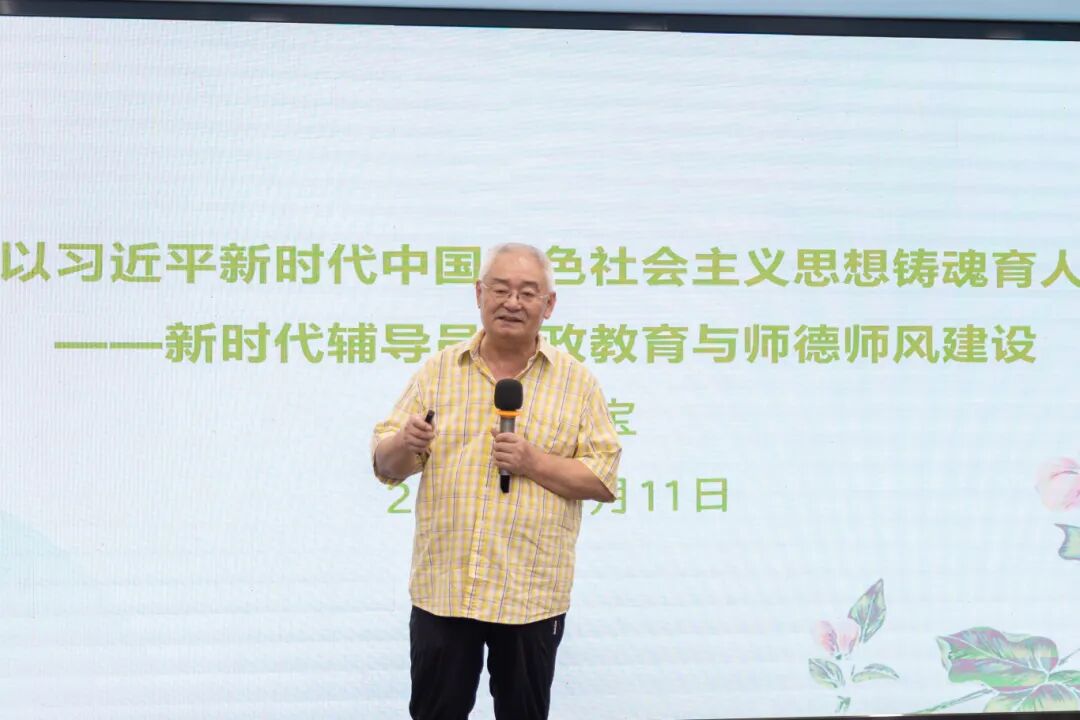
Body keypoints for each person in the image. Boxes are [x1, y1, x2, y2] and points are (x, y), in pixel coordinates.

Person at [371, 243, 622, 720]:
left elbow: (603, 478)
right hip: (445, 591)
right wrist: (405, 442)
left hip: (530, 595)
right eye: (501, 289)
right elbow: (386, 465)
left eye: (527, 292)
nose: (512, 302)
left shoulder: (577, 383)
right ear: (479, 294)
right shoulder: (438, 371)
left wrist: (533, 461)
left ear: (549, 304)